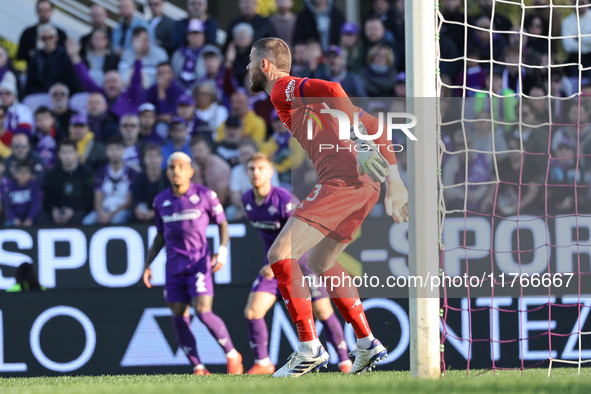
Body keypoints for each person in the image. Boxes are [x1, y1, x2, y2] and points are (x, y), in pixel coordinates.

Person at [246, 37, 408, 376]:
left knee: (280, 255)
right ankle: (366, 343)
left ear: (264, 65)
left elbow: (334, 87)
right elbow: (377, 126)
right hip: (367, 185)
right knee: (321, 261)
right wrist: (394, 180)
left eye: (250, 61)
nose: (247, 67)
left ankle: (308, 348)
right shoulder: (307, 101)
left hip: (342, 180)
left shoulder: (281, 89)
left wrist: (362, 145)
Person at [242, 153, 352, 374]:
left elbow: (301, 232)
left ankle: (344, 361)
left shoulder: (283, 199)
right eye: (252, 169)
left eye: (261, 168)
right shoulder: (247, 200)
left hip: (301, 259)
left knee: (322, 311)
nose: (256, 173)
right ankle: (263, 363)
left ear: (271, 172)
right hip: (274, 264)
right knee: (253, 312)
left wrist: (281, 258)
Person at [143, 151, 243, 375]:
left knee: (203, 311)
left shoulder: (206, 195)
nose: (176, 171)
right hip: (173, 268)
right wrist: (148, 264)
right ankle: (198, 367)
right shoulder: (160, 201)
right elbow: (160, 236)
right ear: (167, 172)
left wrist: (222, 251)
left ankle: (232, 354)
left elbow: (223, 224)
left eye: (180, 167)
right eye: (171, 167)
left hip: (198, 264)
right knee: (178, 314)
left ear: (190, 171)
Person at [68, 38, 144, 120]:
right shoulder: (100, 94)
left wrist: (138, 56)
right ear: (103, 85)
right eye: (108, 82)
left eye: (114, 81)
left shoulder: (132, 96)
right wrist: (74, 56)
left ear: (122, 84)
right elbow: (85, 78)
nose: (111, 84)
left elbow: (136, 80)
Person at [83, 136, 137, 225]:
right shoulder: (100, 172)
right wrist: (101, 213)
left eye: (117, 149)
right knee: (87, 221)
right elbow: (97, 197)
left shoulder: (131, 173)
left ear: (123, 151)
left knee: (117, 220)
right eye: (111, 150)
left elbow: (129, 201)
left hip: (122, 210)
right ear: (106, 152)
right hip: (104, 209)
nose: (114, 153)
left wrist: (111, 215)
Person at [43, 139, 94, 225]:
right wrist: (54, 209)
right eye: (64, 152)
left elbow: (89, 198)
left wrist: (73, 210)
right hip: (59, 212)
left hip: (80, 211)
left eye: (70, 152)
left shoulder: (86, 173)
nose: (67, 156)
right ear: (58, 154)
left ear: (76, 154)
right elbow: (48, 197)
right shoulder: (52, 175)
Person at [26, 24, 81, 95]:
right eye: (44, 38)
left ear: (56, 38)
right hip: (40, 94)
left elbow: (70, 80)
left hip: (61, 94)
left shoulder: (65, 56)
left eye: (50, 37)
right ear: (41, 39)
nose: (48, 40)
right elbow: (31, 82)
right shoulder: (35, 57)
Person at [16, 0, 67, 65]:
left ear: (51, 11)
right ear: (37, 12)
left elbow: (65, 55)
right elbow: (19, 54)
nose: (44, 13)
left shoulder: (61, 34)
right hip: (34, 70)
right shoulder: (28, 33)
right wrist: (30, 53)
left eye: (46, 10)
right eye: (41, 10)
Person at [132, 144, 170, 222]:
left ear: (161, 159)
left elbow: (171, 201)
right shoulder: (139, 178)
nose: (153, 160)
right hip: (143, 214)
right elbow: (136, 200)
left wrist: (154, 213)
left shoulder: (168, 177)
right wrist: (137, 211)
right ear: (144, 160)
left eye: (156, 156)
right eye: (149, 156)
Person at [190, 136, 230, 205]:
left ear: (209, 149)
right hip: (198, 206)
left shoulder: (221, 167)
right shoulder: (190, 168)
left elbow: (221, 199)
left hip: (219, 206)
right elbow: (191, 196)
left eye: (200, 150)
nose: (197, 154)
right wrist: (196, 177)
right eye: (194, 151)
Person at [172, 19, 208, 90]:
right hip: (179, 92)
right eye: (191, 33)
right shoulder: (178, 53)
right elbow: (173, 75)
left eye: (197, 33)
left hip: (202, 92)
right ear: (187, 36)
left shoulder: (210, 52)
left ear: (204, 36)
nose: (194, 36)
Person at [4, 163, 42, 227]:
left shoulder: (34, 186)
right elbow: (6, 206)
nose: (23, 175)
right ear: (15, 174)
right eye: (20, 172)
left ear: (31, 175)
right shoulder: (9, 186)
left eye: (26, 172)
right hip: (14, 219)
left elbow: (36, 204)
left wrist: (30, 218)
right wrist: (14, 219)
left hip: (31, 218)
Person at [32, 106, 57, 170]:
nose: (43, 122)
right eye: (39, 120)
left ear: (53, 119)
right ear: (35, 122)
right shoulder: (32, 139)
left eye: (46, 119)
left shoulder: (60, 136)